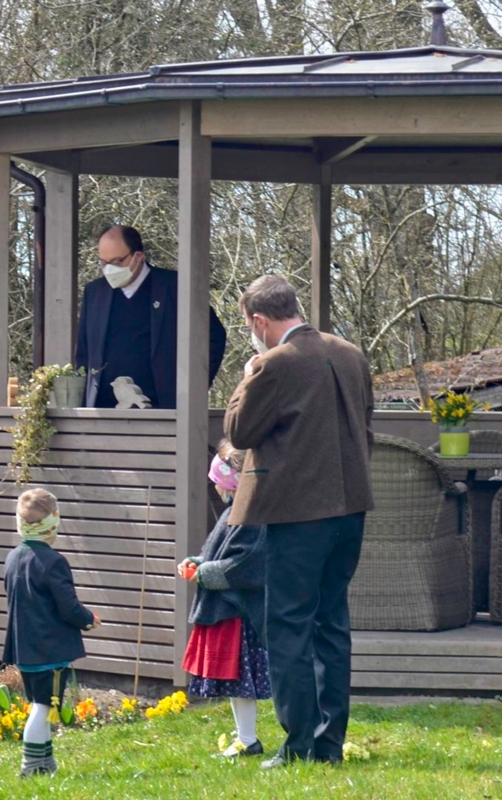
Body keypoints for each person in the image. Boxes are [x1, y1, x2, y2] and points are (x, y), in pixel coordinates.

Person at [224, 275, 374, 769]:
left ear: (260, 321)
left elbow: (240, 431)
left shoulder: (272, 363)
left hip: (296, 512)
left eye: (250, 325)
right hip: (350, 508)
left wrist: (247, 376)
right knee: (332, 624)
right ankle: (330, 743)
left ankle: (299, 744)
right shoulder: (350, 353)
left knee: (288, 623)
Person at [179, 441, 271, 759]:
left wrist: (202, 574)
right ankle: (246, 738)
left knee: (242, 681)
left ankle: (249, 739)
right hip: (226, 609)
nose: (215, 485)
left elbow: (244, 565)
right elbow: (217, 552)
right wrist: (198, 561)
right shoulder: (235, 510)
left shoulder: (251, 514)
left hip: (238, 611)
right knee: (236, 683)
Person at [75, 224, 227, 408]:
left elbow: (213, 338)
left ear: (138, 256)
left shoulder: (174, 287)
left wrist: (193, 388)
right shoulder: (95, 292)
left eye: (116, 262)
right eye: (103, 263)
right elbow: (84, 354)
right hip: (103, 413)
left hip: (164, 411)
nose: (109, 270)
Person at [2, 488, 99, 777]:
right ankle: (30, 766)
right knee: (43, 708)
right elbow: (67, 606)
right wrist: (87, 620)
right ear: (52, 525)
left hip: (24, 646)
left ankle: (46, 763)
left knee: (39, 704)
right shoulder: (53, 562)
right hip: (50, 648)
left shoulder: (12, 558)